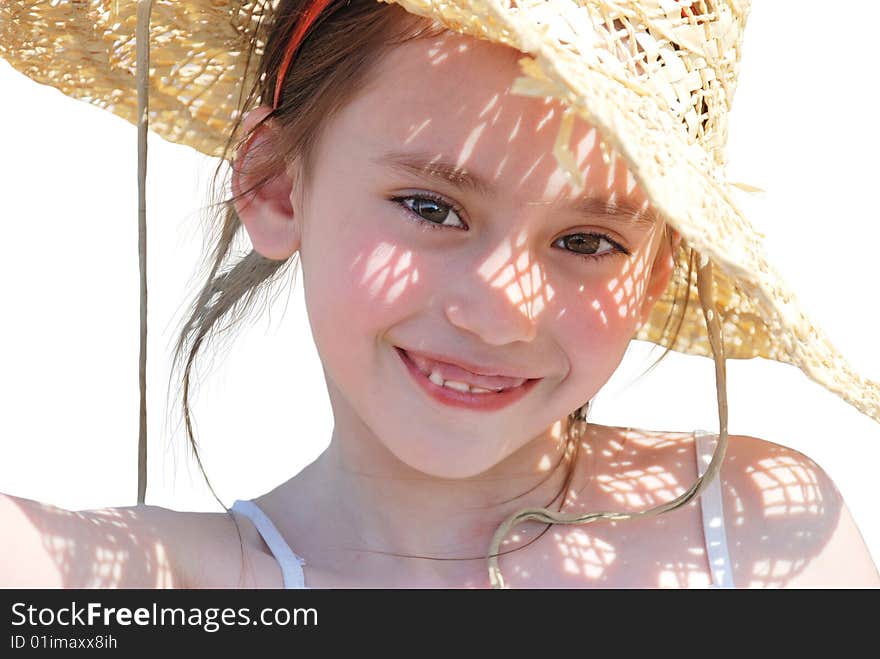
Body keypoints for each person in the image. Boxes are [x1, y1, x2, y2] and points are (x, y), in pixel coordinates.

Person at [1, 0, 878, 588]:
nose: (500, 308)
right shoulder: (165, 581)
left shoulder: (756, 533)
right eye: (432, 207)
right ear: (275, 186)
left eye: (586, 241)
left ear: (652, 271)